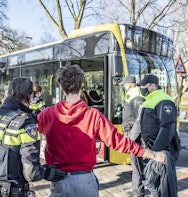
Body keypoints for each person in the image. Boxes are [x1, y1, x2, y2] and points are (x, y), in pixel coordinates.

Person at [37, 65, 166, 197]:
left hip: (58, 181)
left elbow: (36, 132)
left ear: (61, 85)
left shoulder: (47, 114)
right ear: (81, 85)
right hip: (85, 181)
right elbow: (119, 142)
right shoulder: (93, 115)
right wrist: (153, 155)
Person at [0, 77, 66, 197]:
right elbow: (32, 173)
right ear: (30, 97)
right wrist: (49, 172)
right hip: (11, 191)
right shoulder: (24, 124)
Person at [138, 74, 180, 196]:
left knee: (160, 185)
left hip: (162, 150)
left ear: (153, 85)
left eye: (144, 85)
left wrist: (156, 151)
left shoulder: (164, 100)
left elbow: (167, 127)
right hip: (153, 150)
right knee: (153, 183)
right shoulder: (150, 99)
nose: (142, 88)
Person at [119, 75, 145, 197]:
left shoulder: (137, 97)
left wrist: (132, 139)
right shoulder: (131, 95)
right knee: (135, 164)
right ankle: (136, 190)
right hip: (132, 132)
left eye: (124, 84)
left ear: (129, 84)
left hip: (135, 135)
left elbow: (140, 119)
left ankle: (138, 192)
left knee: (137, 164)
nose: (123, 87)